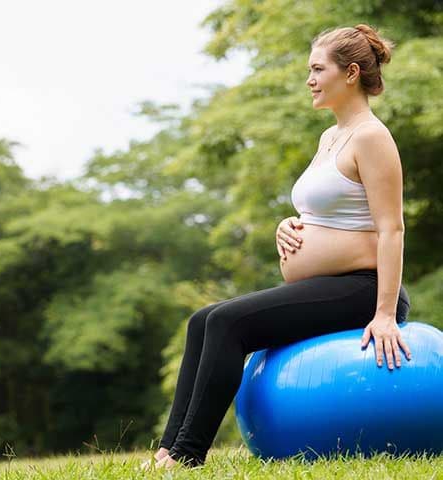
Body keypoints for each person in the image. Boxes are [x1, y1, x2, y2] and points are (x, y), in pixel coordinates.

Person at [140, 24, 412, 470]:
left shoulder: (372, 137)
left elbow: (391, 229)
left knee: (228, 323)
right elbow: (331, 212)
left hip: (365, 289)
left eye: (317, 69)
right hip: (331, 282)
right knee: (201, 320)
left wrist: (383, 314)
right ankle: (167, 450)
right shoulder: (330, 137)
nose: (309, 79)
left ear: (351, 73)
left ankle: (187, 456)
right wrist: (290, 225)